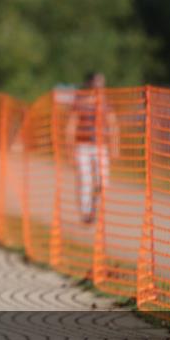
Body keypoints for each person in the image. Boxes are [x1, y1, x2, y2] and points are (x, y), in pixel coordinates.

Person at [65, 72, 119, 225]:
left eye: (102, 83)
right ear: (89, 83)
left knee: (103, 181)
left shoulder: (105, 103)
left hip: (100, 147)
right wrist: (69, 149)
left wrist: (115, 147)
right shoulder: (80, 102)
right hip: (82, 147)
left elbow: (113, 125)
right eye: (97, 83)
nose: (100, 87)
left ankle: (94, 205)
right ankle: (86, 213)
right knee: (85, 180)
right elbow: (71, 126)